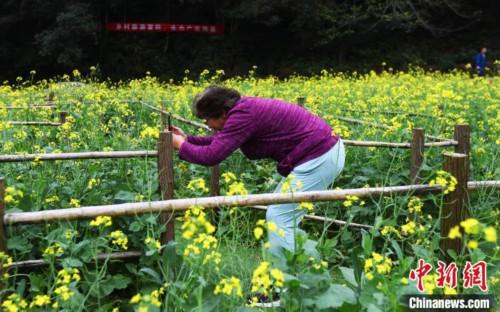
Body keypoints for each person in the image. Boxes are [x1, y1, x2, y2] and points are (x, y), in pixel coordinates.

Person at [171, 86, 345, 256]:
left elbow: (211, 156)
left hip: (320, 156)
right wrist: (187, 140)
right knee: (283, 217)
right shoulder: (243, 110)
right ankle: (295, 273)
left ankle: (288, 279)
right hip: (322, 153)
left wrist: (180, 145)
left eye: (207, 119)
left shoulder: (243, 116)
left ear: (222, 112)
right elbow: (220, 142)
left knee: (279, 217)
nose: (208, 125)